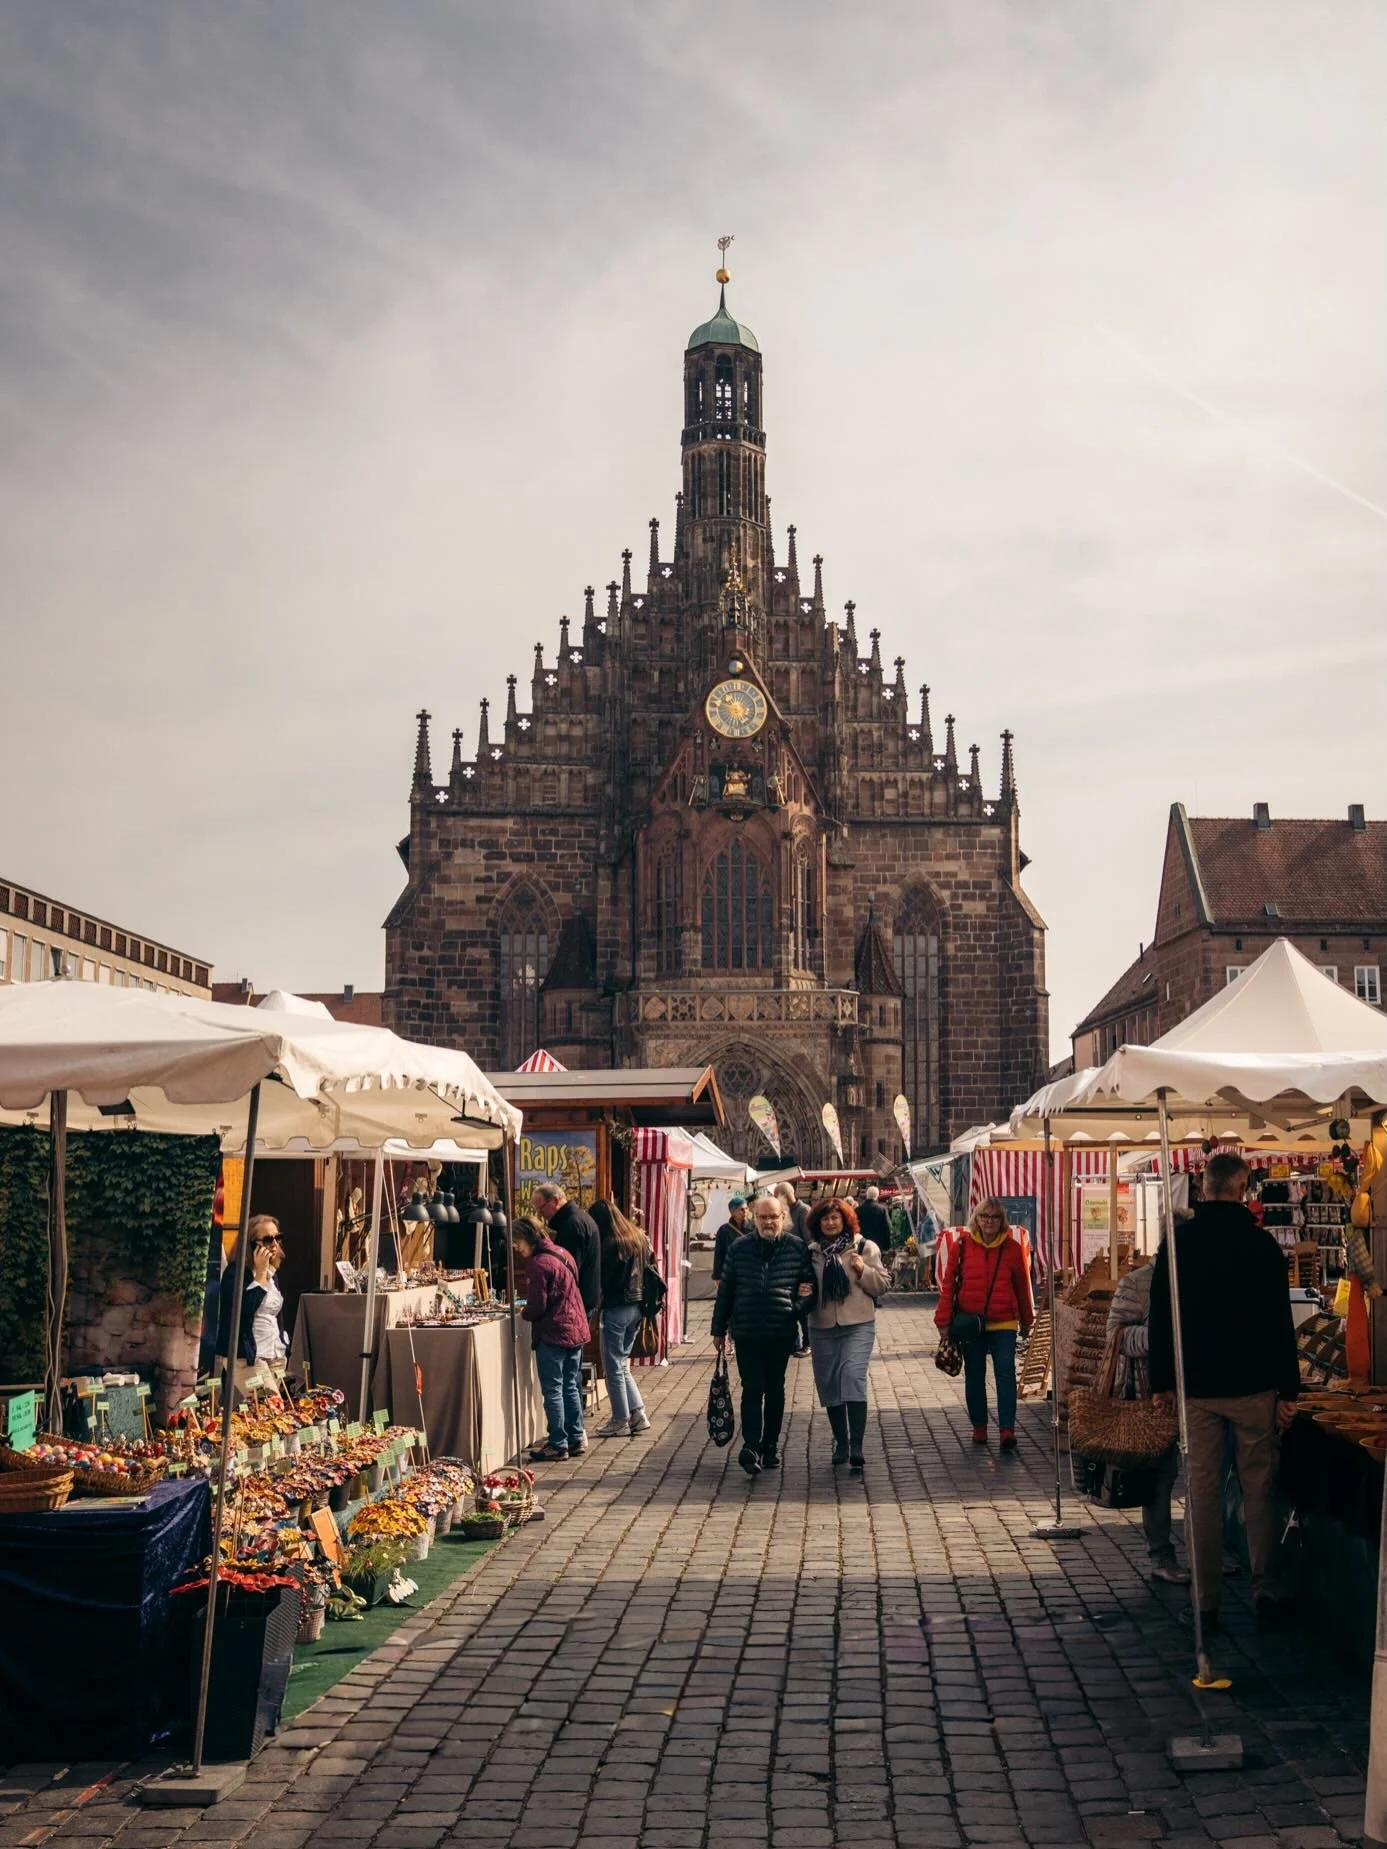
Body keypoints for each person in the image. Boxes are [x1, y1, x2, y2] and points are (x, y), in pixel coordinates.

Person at [1149, 1151, 1299, 1630]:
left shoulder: (1179, 1244)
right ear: (1243, 1189)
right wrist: (1289, 1389)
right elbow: (1281, 1323)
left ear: (1203, 1187)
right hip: (1255, 1386)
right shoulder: (1262, 1247)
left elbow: (1161, 1317)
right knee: (1259, 1490)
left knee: (1202, 1492)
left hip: (1198, 1387)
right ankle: (1266, 1589)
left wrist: (1161, 1382)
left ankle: (1205, 1600)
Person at [712, 1193, 816, 1476]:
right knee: (752, 1388)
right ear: (754, 1218)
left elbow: (809, 1288)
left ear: (783, 1217)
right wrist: (718, 1329)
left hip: (780, 1332)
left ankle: (770, 1446)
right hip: (747, 1331)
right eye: (762, 1217)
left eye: (773, 1217)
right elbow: (726, 1290)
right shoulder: (740, 1248)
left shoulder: (796, 1247)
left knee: (775, 1390)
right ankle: (751, 1446)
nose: (768, 1222)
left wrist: (795, 1308)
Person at [1106, 1259, 1187, 1585]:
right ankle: (1161, 1555)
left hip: (1203, 1394)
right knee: (1161, 1478)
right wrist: (1162, 1337)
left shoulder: (1205, 1273)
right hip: (1154, 1397)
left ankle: (1208, 1551)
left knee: (1205, 1478)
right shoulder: (1139, 1282)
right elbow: (1115, 1335)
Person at [934, 1196, 1034, 1450]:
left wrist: (1027, 1319)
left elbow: (1022, 1286)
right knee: (975, 1375)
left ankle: (1007, 1430)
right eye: (984, 1216)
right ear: (976, 1219)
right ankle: (979, 1426)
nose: (989, 1222)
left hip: (1005, 1322)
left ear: (1002, 1220)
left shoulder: (1012, 1248)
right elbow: (949, 1286)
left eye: (995, 1217)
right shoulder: (962, 1246)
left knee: (1005, 1373)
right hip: (972, 1323)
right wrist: (943, 1321)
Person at [805, 1197, 890, 1471]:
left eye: (835, 1218)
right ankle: (841, 1442)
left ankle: (856, 1445)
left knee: (852, 1376)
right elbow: (802, 1284)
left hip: (858, 1324)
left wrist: (863, 1270)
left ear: (845, 1220)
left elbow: (883, 1285)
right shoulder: (811, 1252)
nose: (830, 1223)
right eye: (825, 1218)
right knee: (829, 1383)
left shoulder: (864, 1247)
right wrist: (802, 1291)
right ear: (818, 1223)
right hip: (822, 1326)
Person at [514, 1214, 592, 1462]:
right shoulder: (563, 1253)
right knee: (570, 1385)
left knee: (554, 1388)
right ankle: (576, 1436)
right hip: (575, 1327)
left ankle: (558, 1442)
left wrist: (523, 1312)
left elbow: (537, 1306)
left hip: (554, 1332)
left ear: (527, 1238)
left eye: (516, 1241)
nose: (515, 1247)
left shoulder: (538, 1264)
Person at [590, 1198, 652, 1439]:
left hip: (616, 1307)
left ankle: (620, 1419)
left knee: (613, 1366)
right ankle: (638, 1414)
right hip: (637, 1306)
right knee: (621, 1363)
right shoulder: (637, 1238)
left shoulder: (609, 1245)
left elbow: (604, 1281)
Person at [214, 1215, 288, 1389]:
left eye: (277, 1238)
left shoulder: (272, 1274)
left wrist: (284, 1344)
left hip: (275, 1355)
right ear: (251, 1244)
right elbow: (243, 1312)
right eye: (268, 1240)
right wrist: (260, 1274)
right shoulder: (235, 1273)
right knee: (270, 1404)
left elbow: (275, 1315)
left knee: (270, 1405)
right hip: (247, 1357)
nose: (274, 1244)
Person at [534, 1182, 601, 1319]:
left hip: (576, 1302)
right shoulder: (580, 1218)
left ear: (555, 1201)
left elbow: (567, 1272)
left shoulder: (571, 1225)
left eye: (542, 1209)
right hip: (584, 1298)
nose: (541, 1215)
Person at [774, 1182, 812, 1355]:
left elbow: (809, 1240)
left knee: (802, 1307)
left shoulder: (803, 1211)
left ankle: (808, 1343)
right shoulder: (784, 1210)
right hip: (786, 1266)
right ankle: (793, 1344)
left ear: (785, 1195)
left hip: (800, 1268)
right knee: (788, 1306)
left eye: (777, 1196)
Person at [711, 1194, 749, 1285]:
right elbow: (719, 1254)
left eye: (746, 1209)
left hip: (749, 1273)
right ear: (733, 1212)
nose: (745, 1212)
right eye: (741, 1209)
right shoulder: (724, 1230)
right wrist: (717, 1276)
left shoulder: (754, 1228)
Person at [856, 1185, 892, 1256]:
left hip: (862, 1244)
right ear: (877, 1196)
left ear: (867, 1195)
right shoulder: (882, 1209)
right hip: (878, 1244)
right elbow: (887, 1227)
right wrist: (887, 1245)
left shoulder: (858, 1210)